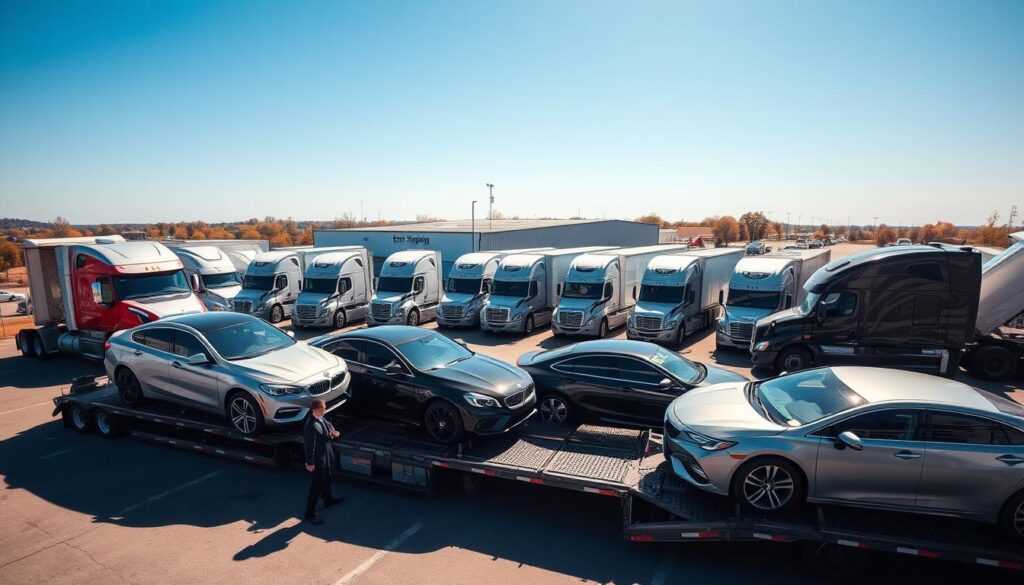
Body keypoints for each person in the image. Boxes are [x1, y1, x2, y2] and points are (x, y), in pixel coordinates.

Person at [303, 398, 342, 524]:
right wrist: (310, 463)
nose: (325, 409)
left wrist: (333, 434)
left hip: (326, 457)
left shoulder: (321, 419)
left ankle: (328, 499)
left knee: (327, 479)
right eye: (323, 407)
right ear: (315, 409)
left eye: (324, 407)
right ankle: (309, 513)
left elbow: (326, 434)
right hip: (318, 460)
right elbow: (309, 445)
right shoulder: (311, 425)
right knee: (316, 486)